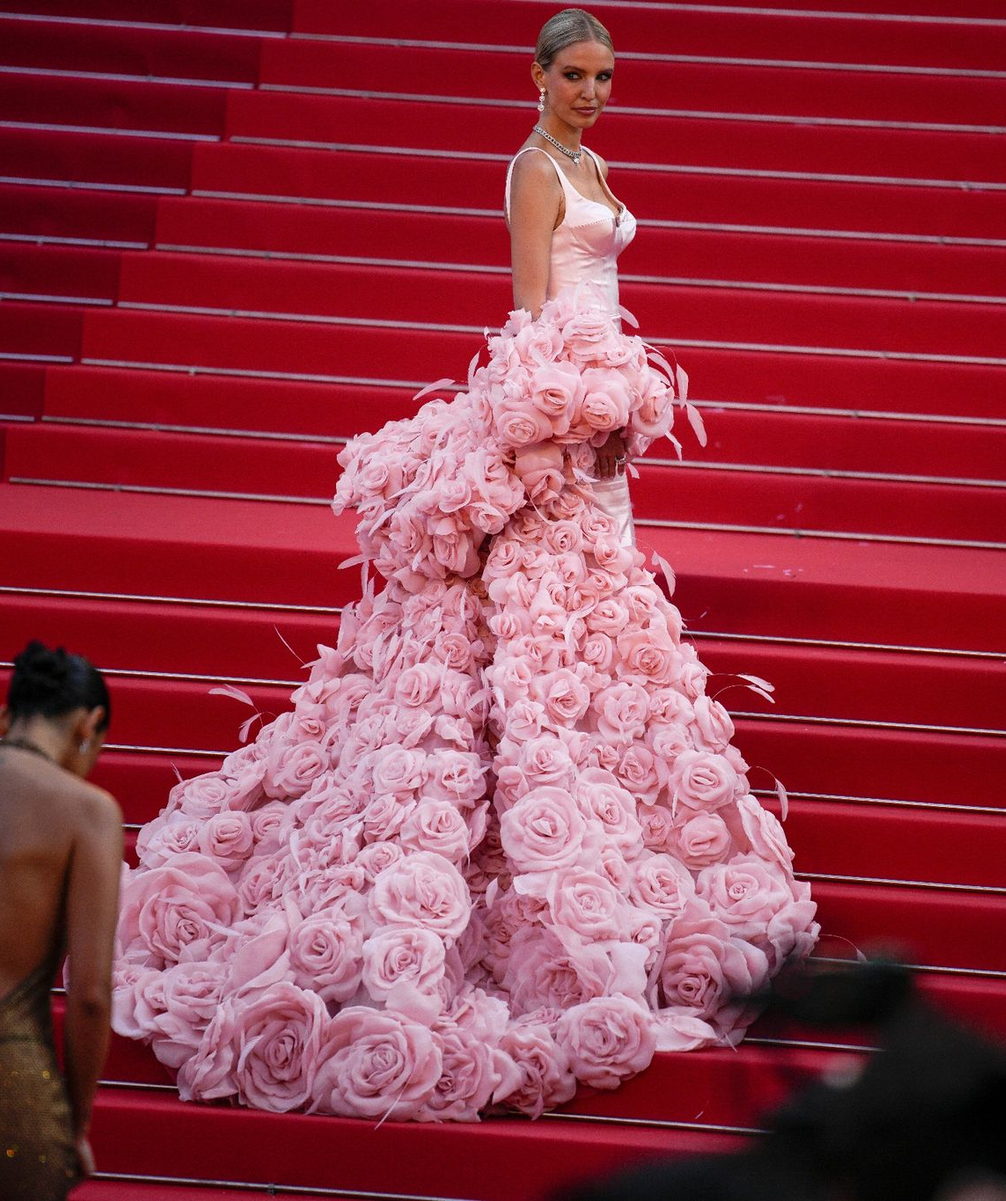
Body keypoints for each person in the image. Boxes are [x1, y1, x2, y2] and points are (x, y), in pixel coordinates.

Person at [113, 6, 818, 1123]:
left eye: (606, 76)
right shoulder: (535, 170)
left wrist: (624, 404)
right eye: (575, 75)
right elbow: (533, 316)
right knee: (538, 632)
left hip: (601, 425)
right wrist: (572, 417)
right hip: (559, 424)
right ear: (536, 76)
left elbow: (599, 304)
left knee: (599, 636)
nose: (593, 92)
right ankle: (503, 867)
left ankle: (609, 826)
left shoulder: (590, 161)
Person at [0, 641, 123, 1200]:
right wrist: (76, 1123)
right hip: (13, 1089)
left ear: (7, 715)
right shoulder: (87, 812)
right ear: (88, 725)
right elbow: (90, 994)